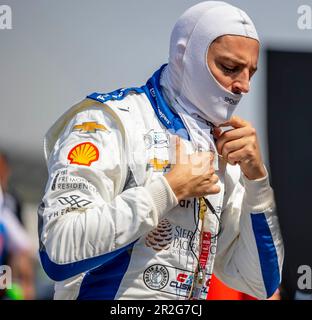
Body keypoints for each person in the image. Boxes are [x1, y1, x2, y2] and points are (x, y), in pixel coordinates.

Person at [38, 1, 284, 300]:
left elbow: (259, 283)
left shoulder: (220, 147)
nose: (243, 85)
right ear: (184, 55)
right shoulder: (109, 121)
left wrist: (257, 181)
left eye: (251, 73)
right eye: (230, 67)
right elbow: (57, 251)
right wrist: (168, 190)